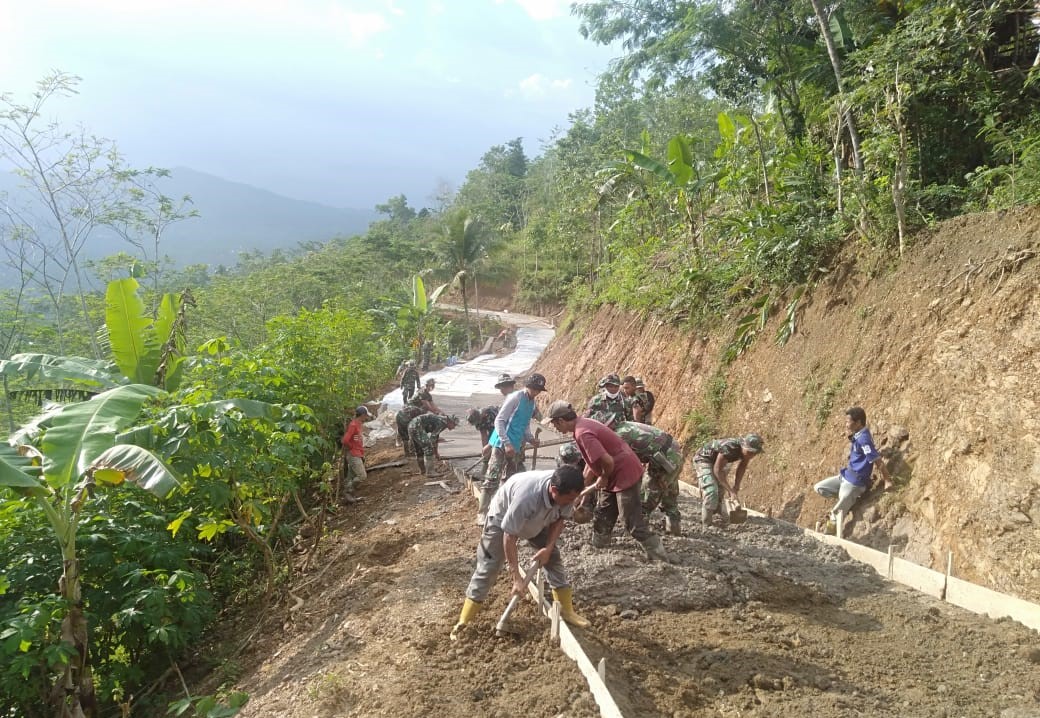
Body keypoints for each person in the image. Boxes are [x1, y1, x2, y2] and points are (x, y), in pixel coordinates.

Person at [450, 465, 590, 640]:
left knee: (553, 558)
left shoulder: (567, 494)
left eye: (574, 498)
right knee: (489, 567)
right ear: (554, 490)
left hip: (539, 517)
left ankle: (566, 610)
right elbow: (510, 536)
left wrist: (547, 547)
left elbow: (560, 519)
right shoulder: (527, 498)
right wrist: (516, 577)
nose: (572, 502)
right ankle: (464, 622)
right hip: (502, 520)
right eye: (569, 499)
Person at [545, 401, 670, 562]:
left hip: (624, 473)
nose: (555, 428)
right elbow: (591, 463)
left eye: (555, 424)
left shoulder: (583, 432)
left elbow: (608, 461)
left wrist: (603, 477)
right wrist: (581, 490)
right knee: (604, 511)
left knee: (631, 521)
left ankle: (659, 555)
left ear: (561, 421)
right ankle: (599, 544)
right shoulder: (582, 425)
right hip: (613, 472)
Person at [476, 373, 546, 526]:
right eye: (534, 389)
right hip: (503, 445)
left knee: (511, 478)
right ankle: (482, 513)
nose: (535, 392)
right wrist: (506, 443)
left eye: (538, 390)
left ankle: (502, 508)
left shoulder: (532, 403)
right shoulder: (515, 398)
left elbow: (525, 424)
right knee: (492, 478)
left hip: (517, 446)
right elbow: (499, 421)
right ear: (527, 386)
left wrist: (530, 438)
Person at [814, 406, 892, 534]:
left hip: (854, 483)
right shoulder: (858, 434)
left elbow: (877, 460)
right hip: (845, 477)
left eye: (848, 421)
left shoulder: (864, 440)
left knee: (835, 514)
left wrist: (887, 480)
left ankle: (828, 535)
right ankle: (847, 500)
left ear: (858, 422)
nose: (846, 424)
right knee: (819, 488)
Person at [612, 421, 683, 535]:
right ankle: (674, 528)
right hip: (674, 452)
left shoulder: (620, 435)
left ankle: (638, 532)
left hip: (664, 459)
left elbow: (624, 463)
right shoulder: (626, 425)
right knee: (669, 493)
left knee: (647, 496)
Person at [692, 433, 764, 527]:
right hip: (704, 459)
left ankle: (717, 515)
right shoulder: (729, 447)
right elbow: (717, 470)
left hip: (721, 461)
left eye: (754, 453)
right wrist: (731, 491)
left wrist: (736, 486)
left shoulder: (746, 453)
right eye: (750, 452)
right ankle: (706, 524)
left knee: (720, 489)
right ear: (743, 446)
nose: (751, 455)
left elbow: (742, 466)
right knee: (711, 491)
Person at [407, 412, 458, 477]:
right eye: (454, 425)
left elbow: (436, 438)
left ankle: (423, 471)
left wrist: (436, 453)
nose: (454, 427)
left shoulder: (441, 420)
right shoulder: (442, 423)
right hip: (417, 426)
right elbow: (433, 439)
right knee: (428, 447)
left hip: (412, 425)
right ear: (450, 422)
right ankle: (430, 472)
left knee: (419, 449)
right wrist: (433, 452)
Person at [340, 406, 370, 504]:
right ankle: (347, 492)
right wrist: (352, 447)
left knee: (351, 477)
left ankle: (348, 496)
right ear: (362, 415)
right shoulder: (353, 425)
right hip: (353, 454)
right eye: (365, 415)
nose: (366, 417)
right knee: (362, 476)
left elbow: (355, 438)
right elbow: (345, 440)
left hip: (357, 453)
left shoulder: (358, 423)